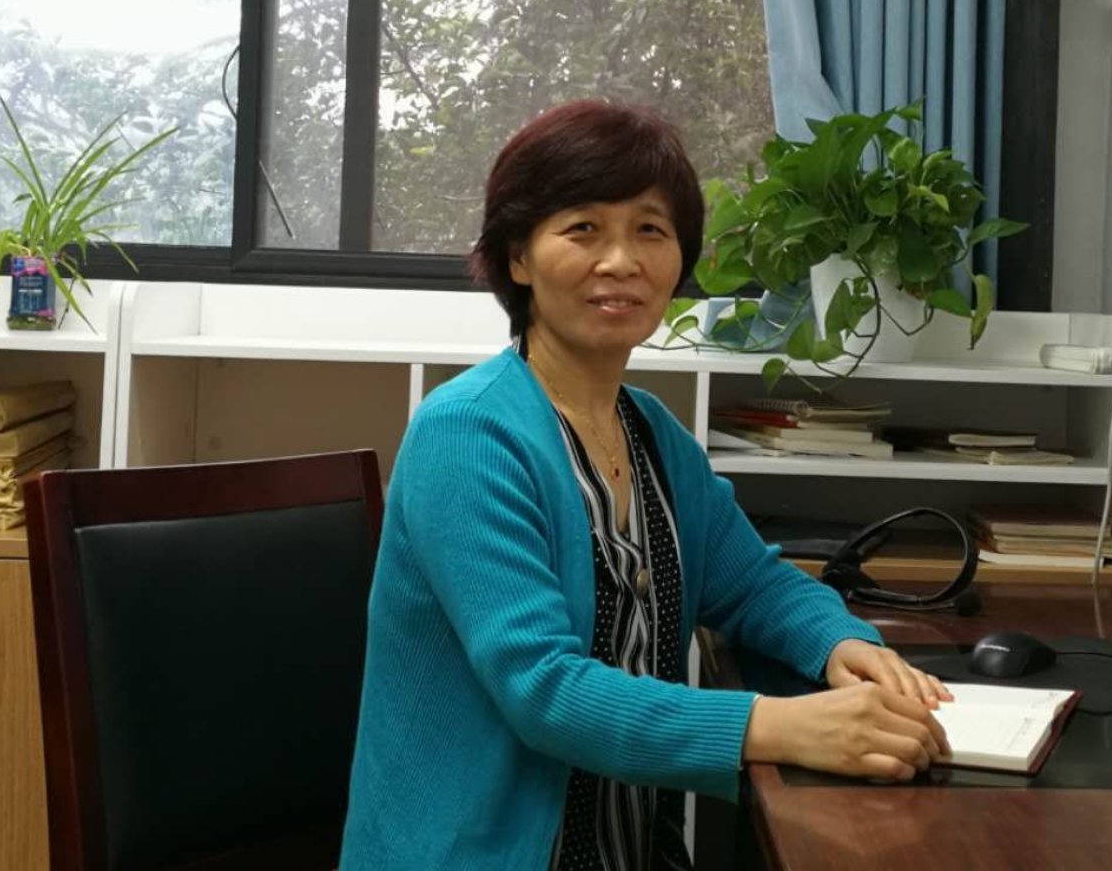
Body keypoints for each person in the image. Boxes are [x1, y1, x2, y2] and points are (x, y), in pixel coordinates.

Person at [340, 100, 951, 871]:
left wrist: (841, 643)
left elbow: (751, 583)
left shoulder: (652, 433)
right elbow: (543, 689)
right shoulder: (468, 434)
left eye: (650, 229)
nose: (621, 260)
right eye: (583, 228)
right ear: (518, 257)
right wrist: (777, 725)